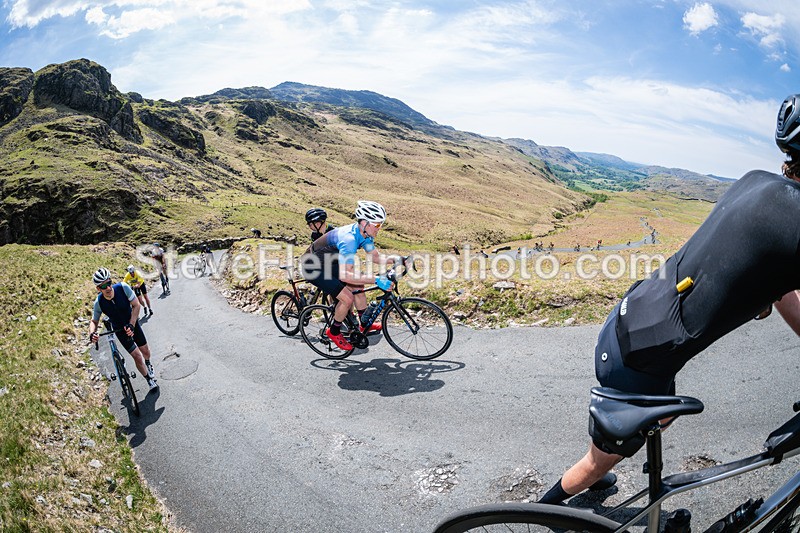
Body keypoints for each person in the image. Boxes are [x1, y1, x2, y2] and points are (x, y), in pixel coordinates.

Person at [537, 94, 800, 505]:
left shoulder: (757, 181)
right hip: (636, 358)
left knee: (658, 417)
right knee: (598, 460)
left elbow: (778, 282)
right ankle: (545, 511)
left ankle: (599, 468)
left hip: (631, 313)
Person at [300, 200, 398, 350]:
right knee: (347, 298)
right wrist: (377, 279)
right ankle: (334, 331)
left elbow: (376, 257)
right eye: (378, 225)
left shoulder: (364, 235)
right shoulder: (349, 239)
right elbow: (345, 275)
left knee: (358, 284)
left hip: (328, 263)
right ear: (365, 223)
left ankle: (364, 323)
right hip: (313, 267)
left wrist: (399, 259)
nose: (380, 228)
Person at [88, 268, 158, 392]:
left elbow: (136, 305)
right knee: (137, 356)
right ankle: (148, 379)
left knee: (145, 352)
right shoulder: (99, 302)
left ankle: (148, 363)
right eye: (103, 286)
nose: (108, 287)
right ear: (98, 288)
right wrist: (92, 333)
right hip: (120, 330)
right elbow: (94, 321)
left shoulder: (123, 288)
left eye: (109, 283)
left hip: (133, 324)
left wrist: (132, 325)